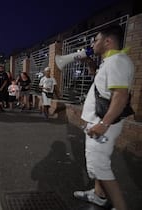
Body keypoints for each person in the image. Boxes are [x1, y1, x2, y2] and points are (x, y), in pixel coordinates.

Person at [73, 25, 134, 210]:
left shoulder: (117, 61)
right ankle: (99, 195)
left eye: (96, 40)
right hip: (98, 121)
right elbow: (102, 87)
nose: (93, 43)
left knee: (100, 166)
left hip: (103, 122)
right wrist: (91, 64)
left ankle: (120, 207)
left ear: (107, 41)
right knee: (98, 163)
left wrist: (103, 124)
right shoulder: (109, 61)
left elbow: (120, 95)